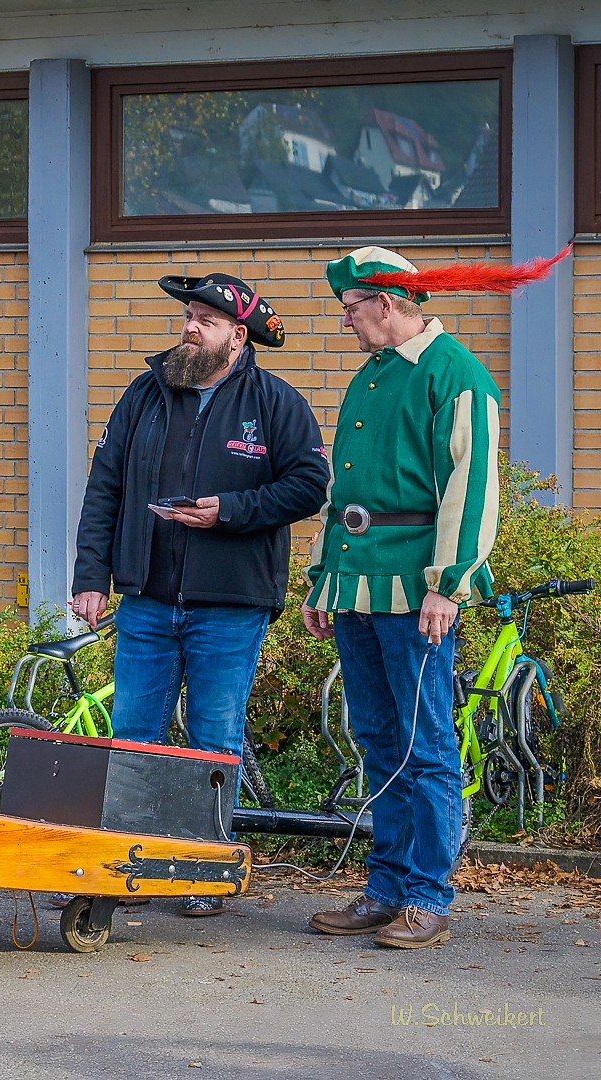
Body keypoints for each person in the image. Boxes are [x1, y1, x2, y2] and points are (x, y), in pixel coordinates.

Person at [302, 244, 566, 949]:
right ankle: (385, 889)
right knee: (378, 741)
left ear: (386, 303)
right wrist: (323, 575)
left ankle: (427, 896)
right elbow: (343, 491)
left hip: (418, 588)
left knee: (426, 748)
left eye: (352, 309)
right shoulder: (370, 378)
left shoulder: (457, 375)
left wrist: (449, 584)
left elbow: (472, 486)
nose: (348, 322)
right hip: (357, 584)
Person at [71, 271, 329, 915]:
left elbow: (310, 485)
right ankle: (128, 868)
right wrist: (89, 576)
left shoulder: (277, 404)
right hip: (148, 598)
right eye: (188, 315)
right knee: (134, 733)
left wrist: (232, 510)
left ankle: (201, 871)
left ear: (237, 337)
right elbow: (104, 489)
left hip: (231, 603)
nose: (190, 327)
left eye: (206, 320)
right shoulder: (144, 395)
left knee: (213, 737)